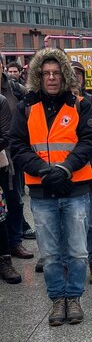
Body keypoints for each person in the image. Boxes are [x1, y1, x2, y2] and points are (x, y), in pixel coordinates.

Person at [10, 48, 92, 326]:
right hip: (42, 189)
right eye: (46, 73)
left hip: (74, 189)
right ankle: (57, 300)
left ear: (65, 75)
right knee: (49, 254)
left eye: (56, 73)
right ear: (38, 75)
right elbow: (17, 145)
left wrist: (65, 168)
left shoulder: (80, 105)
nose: (51, 78)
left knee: (77, 250)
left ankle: (74, 297)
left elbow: (89, 140)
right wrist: (42, 170)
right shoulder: (26, 107)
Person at [71, 61, 92, 284]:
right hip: (67, 175)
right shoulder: (55, 105)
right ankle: (75, 262)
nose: (75, 80)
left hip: (91, 172)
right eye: (71, 75)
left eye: (78, 75)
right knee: (73, 222)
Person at [0, 55, 33, 259]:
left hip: (12, 155)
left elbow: (30, 105)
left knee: (15, 199)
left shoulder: (13, 88)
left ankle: (15, 242)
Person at [0, 93, 21, 283]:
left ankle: (5, 260)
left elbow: (6, 135)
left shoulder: (1, 100)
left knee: (0, 217)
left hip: (1, 167)